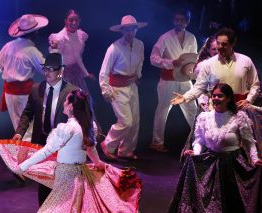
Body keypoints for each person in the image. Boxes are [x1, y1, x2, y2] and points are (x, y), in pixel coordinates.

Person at [5, 90, 152, 213]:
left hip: (67, 175)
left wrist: (22, 166)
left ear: (72, 106)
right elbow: (90, 149)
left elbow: (46, 152)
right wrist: (98, 163)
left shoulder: (67, 128)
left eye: (66, 101)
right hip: (79, 173)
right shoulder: (87, 125)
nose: (64, 104)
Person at [167, 83, 262, 213]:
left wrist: (255, 160)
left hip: (233, 163)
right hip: (211, 162)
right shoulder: (204, 117)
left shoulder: (239, 117)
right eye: (214, 95)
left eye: (220, 96)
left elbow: (249, 143)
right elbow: (199, 141)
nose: (216, 99)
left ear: (228, 98)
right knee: (213, 202)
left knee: (233, 200)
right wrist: (195, 153)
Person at [12, 52, 78, 205]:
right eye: (45, 69)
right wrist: (19, 132)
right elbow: (27, 113)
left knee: (61, 185)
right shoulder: (36, 89)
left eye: (51, 69)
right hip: (41, 142)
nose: (47, 72)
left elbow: (81, 118)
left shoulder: (72, 91)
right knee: (43, 184)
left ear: (61, 70)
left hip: (63, 145)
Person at [0, 14, 48, 141]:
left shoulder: (8, 46)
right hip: (24, 94)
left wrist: (7, 70)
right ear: (35, 32)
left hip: (9, 93)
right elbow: (47, 71)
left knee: (19, 128)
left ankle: (22, 158)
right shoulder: (31, 51)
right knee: (28, 128)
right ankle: (26, 158)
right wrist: (55, 52)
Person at [171, 28, 260, 109]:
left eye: (224, 44)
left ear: (232, 44)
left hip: (240, 108)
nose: (220, 47)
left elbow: (255, 84)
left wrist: (248, 100)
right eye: (218, 43)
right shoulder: (208, 64)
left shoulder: (245, 61)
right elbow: (199, 87)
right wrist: (185, 97)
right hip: (217, 109)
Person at [149, 8, 198, 153]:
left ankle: (199, 139)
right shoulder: (165, 37)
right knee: (163, 110)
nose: (180, 22)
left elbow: (193, 58)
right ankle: (157, 143)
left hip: (185, 79)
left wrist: (191, 71)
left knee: (193, 109)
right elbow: (153, 59)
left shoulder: (192, 37)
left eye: (183, 20)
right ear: (173, 20)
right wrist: (170, 62)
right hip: (168, 79)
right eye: (177, 19)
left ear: (188, 21)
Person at [99, 15, 147, 161]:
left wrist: (137, 75)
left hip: (132, 86)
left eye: (133, 29)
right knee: (126, 121)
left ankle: (126, 151)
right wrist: (105, 90)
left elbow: (140, 62)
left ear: (136, 29)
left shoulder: (140, 44)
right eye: (127, 29)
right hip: (117, 88)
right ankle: (107, 145)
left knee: (135, 122)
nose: (130, 32)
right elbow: (104, 72)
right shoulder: (114, 48)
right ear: (122, 30)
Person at [48, 9, 94, 91]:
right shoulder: (60, 37)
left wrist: (86, 73)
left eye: (76, 20)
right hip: (64, 73)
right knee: (68, 99)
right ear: (65, 21)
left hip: (76, 71)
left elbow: (77, 56)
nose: (74, 23)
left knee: (82, 96)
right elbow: (56, 59)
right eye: (71, 20)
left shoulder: (80, 35)